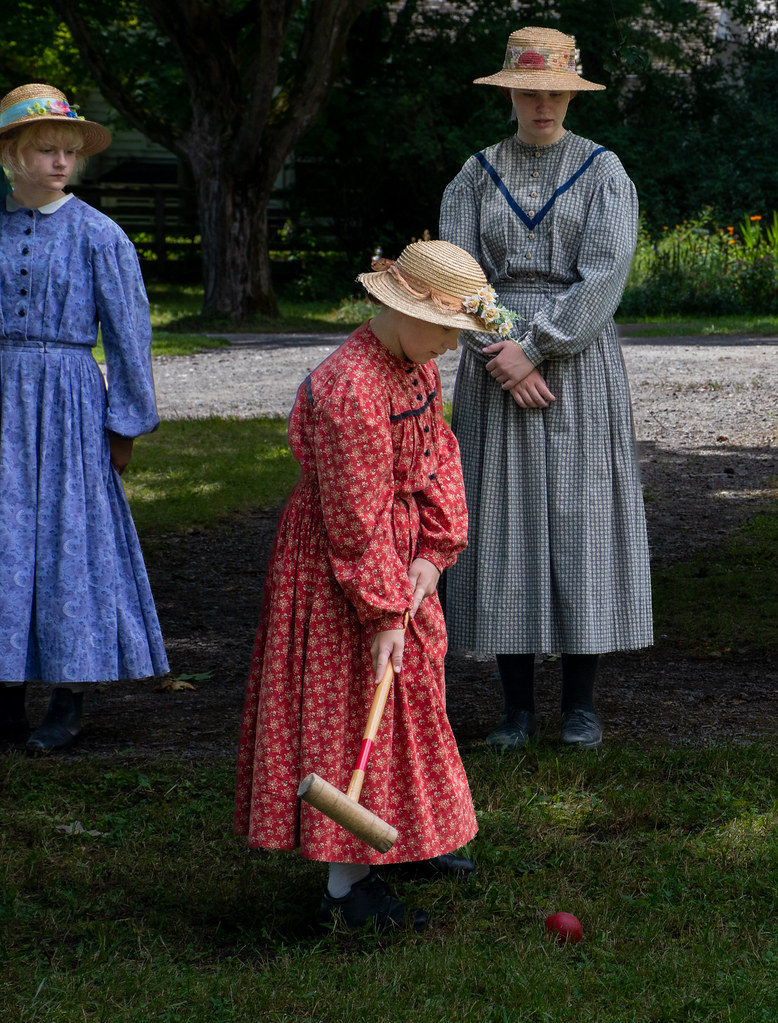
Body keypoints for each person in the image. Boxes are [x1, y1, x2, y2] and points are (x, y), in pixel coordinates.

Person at [233, 240, 518, 932]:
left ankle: (399, 834)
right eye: (447, 328)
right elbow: (356, 525)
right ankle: (346, 888)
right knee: (354, 701)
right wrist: (384, 610)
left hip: (401, 555)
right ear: (397, 308)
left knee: (408, 697)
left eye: (461, 332)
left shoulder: (415, 364)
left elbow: (438, 453)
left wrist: (435, 548)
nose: (452, 345)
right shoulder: (348, 389)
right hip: (344, 572)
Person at [439, 26, 653, 751]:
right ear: (509, 94)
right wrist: (498, 351)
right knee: (501, 521)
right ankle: (516, 708)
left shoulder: (602, 171)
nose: (544, 104)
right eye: (530, 91)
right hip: (493, 360)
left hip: (576, 362)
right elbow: (456, 275)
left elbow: (605, 273)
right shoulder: (474, 174)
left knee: (579, 515)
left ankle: (581, 706)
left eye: (556, 91)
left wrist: (535, 348)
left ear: (572, 93)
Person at [0, 83, 168, 752]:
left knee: (68, 540)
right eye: (45, 150)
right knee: (5, 541)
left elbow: (129, 334)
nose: (60, 162)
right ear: (12, 155)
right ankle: (6, 694)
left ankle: (68, 697)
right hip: (3, 400)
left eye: (68, 151)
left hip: (69, 402)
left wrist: (124, 421)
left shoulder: (100, 235)